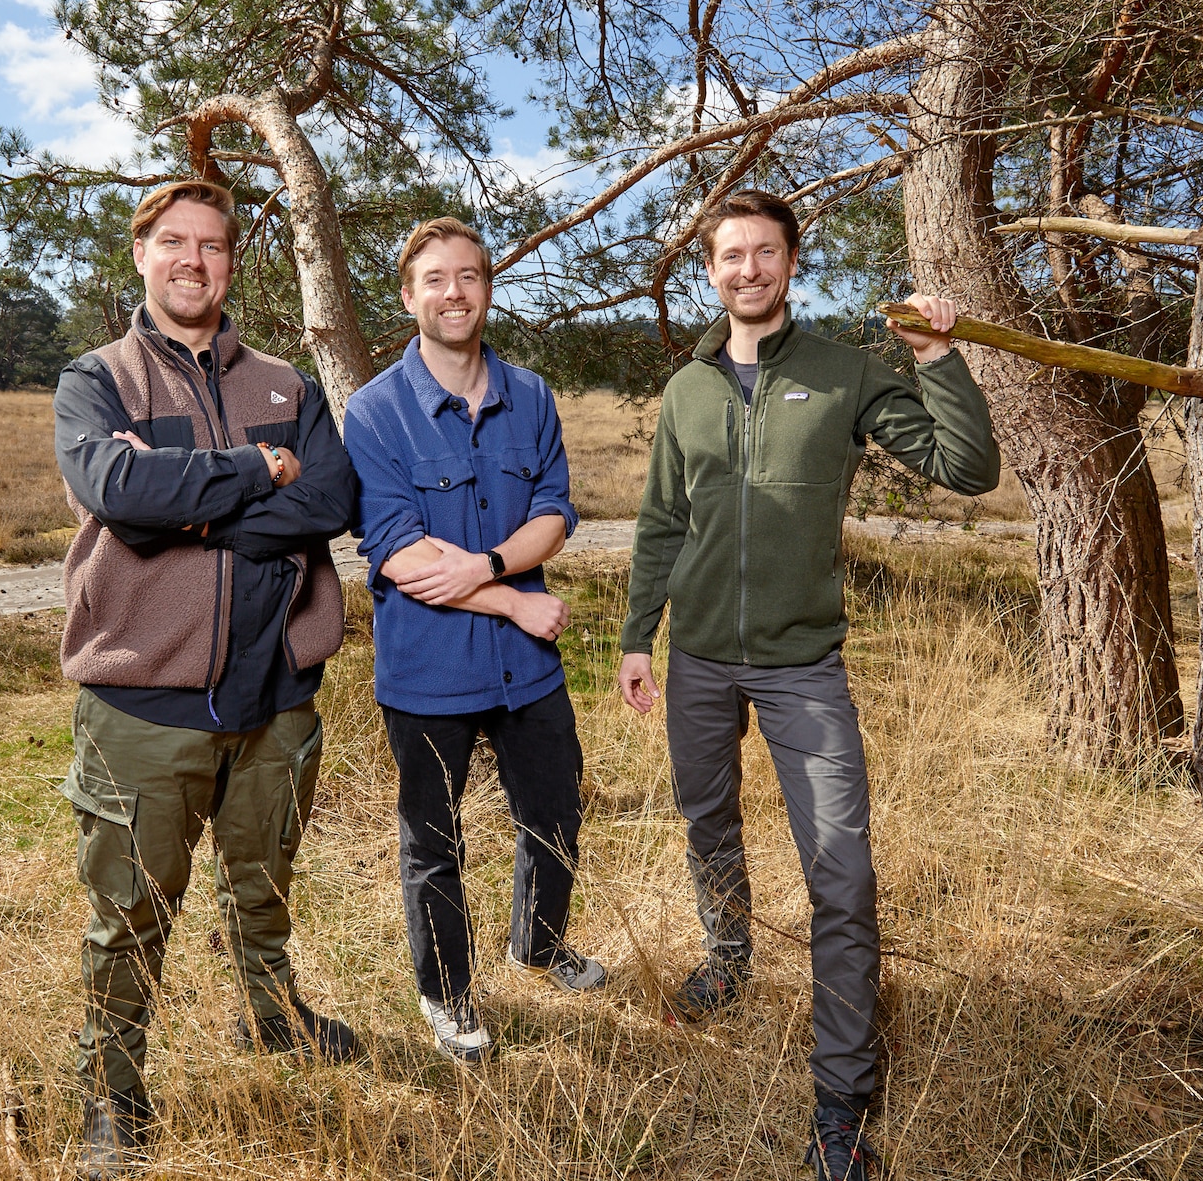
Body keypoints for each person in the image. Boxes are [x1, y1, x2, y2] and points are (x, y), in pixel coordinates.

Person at [615, 191, 999, 1180]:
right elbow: (661, 523)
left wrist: (935, 357)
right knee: (707, 820)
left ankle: (840, 1105)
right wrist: (637, 637)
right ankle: (727, 957)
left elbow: (966, 466)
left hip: (802, 667)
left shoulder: (843, 374)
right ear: (710, 270)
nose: (746, 269)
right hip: (699, 658)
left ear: (791, 262)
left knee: (841, 873)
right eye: (729, 255)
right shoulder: (686, 389)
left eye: (764, 252)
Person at [51, 179, 360, 1175]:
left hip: (279, 696)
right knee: (131, 913)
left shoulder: (286, 385)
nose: (193, 260)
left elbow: (332, 499)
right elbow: (118, 490)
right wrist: (258, 471)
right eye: (173, 242)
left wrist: (186, 511)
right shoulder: (97, 380)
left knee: (263, 882)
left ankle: (271, 1015)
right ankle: (113, 1096)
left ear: (232, 261)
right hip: (146, 704)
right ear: (141, 254)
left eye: (213, 245)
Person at [341, 217, 605, 1064]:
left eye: (469, 276)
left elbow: (554, 512)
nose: (453, 293)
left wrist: (485, 564)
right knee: (434, 839)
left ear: (487, 288)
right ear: (408, 296)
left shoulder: (531, 395)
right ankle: (448, 994)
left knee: (555, 814)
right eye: (435, 279)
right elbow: (398, 550)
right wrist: (513, 603)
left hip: (527, 673)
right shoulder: (375, 411)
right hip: (428, 669)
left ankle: (539, 944)